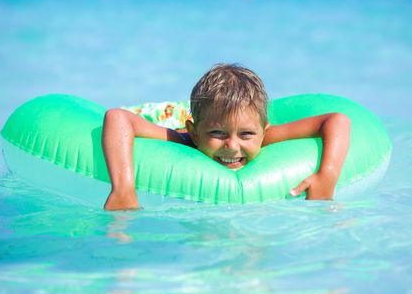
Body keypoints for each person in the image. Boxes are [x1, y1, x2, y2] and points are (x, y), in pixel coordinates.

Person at [102, 63, 351, 211]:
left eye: (246, 134)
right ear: (194, 131)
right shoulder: (185, 140)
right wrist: (123, 187)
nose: (232, 146)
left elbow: (337, 120)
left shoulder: (265, 136)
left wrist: (327, 175)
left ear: (263, 130)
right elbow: (117, 117)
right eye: (218, 133)